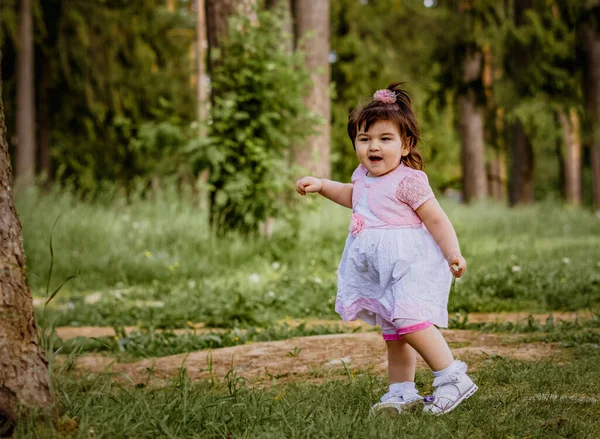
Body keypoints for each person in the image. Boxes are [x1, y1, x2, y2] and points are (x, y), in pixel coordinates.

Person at [295, 83, 478, 415]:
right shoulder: (363, 176)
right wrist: (322, 186)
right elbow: (353, 196)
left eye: (384, 138)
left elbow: (436, 219)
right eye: (364, 139)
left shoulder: (409, 181)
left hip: (411, 264)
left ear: (406, 145)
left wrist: (453, 252)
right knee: (394, 332)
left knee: (410, 321)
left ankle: (452, 377)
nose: (372, 146)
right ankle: (401, 391)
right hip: (383, 270)